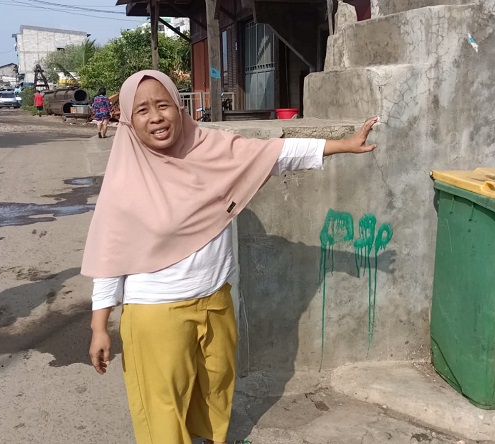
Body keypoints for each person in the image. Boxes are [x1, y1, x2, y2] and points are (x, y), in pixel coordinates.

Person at [83, 70, 378, 444]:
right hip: (156, 312)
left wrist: (343, 145)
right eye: (142, 110)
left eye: (163, 104)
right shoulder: (125, 181)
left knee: (216, 391)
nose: (155, 116)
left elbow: (275, 154)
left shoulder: (211, 148)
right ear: (127, 120)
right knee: (162, 410)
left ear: (179, 106)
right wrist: (99, 327)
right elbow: (109, 259)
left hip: (215, 300)